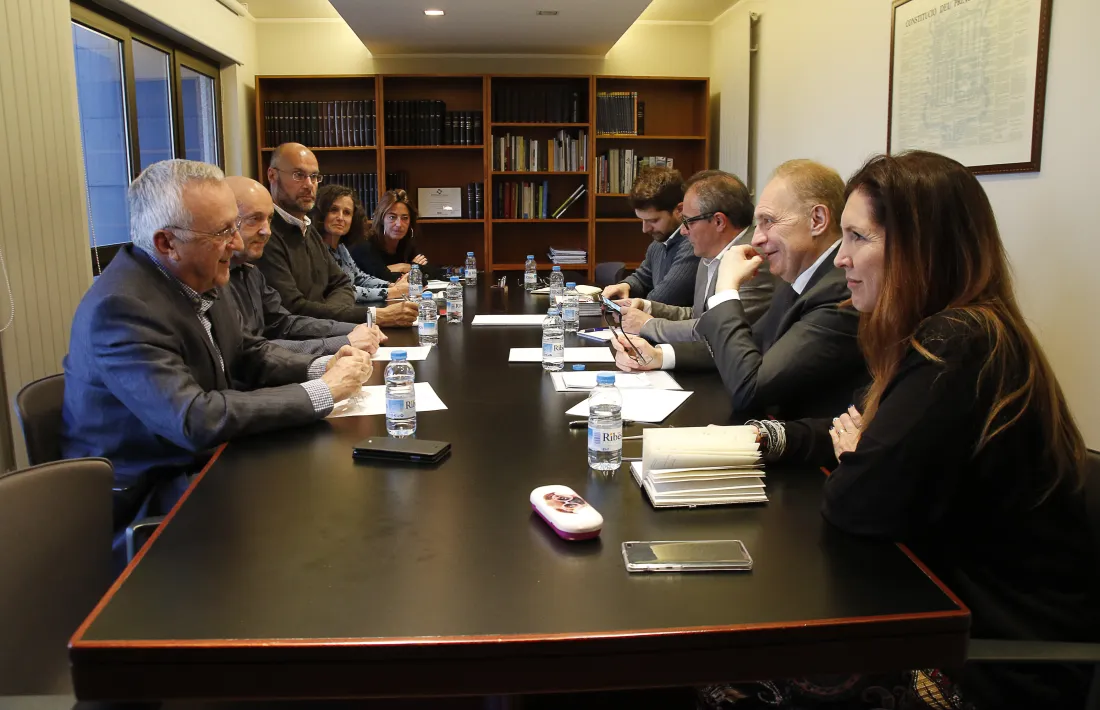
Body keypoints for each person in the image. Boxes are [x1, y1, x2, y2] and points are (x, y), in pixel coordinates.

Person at [710, 151, 1099, 710]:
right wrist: (768, 438)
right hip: (936, 615)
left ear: (921, 247)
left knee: (736, 671)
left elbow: (853, 504)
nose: (841, 259)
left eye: (858, 238)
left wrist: (856, 455)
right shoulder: (948, 330)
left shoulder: (957, 343)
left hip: (986, 661)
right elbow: (857, 431)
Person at [61, 160, 374, 532]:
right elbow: (194, 418)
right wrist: (321, 392)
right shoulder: (120, 309)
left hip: (209, 460)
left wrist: (321, 366)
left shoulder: (203, 274)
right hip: (148, 492)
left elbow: (247, 352)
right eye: (224, 231)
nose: (238, 244)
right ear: (166, 243)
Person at [614, 160, 865, 420]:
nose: (757, 238)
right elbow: (743, 344)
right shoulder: (799, 281)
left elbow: (751, 390)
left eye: (768, 221)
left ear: (817, 220)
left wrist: (726, 290)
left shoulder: (836, 292)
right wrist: (658, 355)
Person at [256, 143, 417, 327]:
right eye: (298, 175)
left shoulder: (307, 230)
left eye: (314, 176)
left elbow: (342, 284)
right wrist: (372, 313)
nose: (309, 185)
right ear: (272, 175)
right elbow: (294, 310)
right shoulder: (266, 235)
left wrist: (329, 311)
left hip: (329, 328)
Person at [224, 176, 385, 358]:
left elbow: (284, 322)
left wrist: (356, 327)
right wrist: (345, 339)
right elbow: (250, 351)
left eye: (269, 220)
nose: (266, 231)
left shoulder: (250, 270)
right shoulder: (212, 279)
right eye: (254, 219)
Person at [615, 170, 776, 347]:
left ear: (718, 222)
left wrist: (648, 325)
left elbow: (717, 332)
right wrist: (648, 307)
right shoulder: (708, 253)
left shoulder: (752, 259)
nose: (683, 231)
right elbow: (698, 315)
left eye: (689, 222)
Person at [600, 166, 699, 307]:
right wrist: (626, 285)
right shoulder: (660, 241)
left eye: (653, 220)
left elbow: (662, 300)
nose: (645, 229)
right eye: (642, 220)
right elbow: (643, 277)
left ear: (679, 210)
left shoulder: (693, 244)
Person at [311, 183, 410, 304]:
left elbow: (360, 278)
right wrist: (392, 291)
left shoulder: (341, 248)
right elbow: (341, 291)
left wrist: (391, 285)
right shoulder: (315, 249)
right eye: (334, 210)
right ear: (321, 213)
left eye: (347, 212)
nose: (340, 217)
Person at [350, 189, 441, 281]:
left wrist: (404, 267)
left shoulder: (406, 243)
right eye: (392, 217)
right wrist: (413, 268)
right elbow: (381, 277)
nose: (399, 224)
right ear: (382, 219)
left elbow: (432, 273)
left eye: (405, 218)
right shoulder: (365, 245)